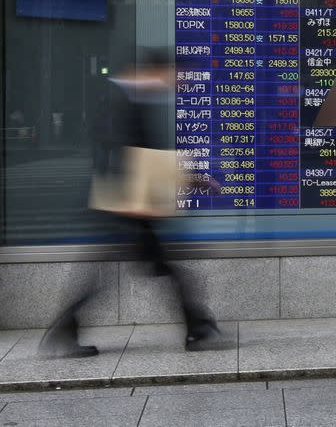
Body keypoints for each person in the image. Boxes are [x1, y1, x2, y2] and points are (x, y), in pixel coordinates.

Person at [39, 49, 220, 358]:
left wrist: (190, 178)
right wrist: (185, 180)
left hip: (128, 207)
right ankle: (198, 327)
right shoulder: (120, 102)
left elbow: (145, 157)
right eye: (177, 75)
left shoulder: (132, 100)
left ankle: (198, 326)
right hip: (122, 208)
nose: (178, 83)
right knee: (150, 270)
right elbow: (126, 157)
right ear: (160, 70)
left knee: (145, 269)